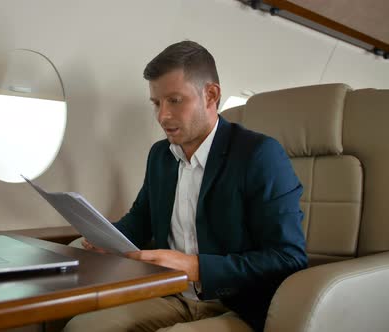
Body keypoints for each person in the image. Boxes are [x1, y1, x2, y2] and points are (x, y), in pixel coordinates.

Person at [63, 41, 307, 332]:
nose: (162, 116)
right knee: (82, 328)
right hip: (172, 297)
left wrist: (195, 267)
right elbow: (140, 222)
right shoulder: (160, 156)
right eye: (156, 103)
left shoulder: (259, 154)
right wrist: (105, 238)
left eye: (175, 100)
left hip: (239, 307)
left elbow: (288, 259)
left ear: (211, 94)